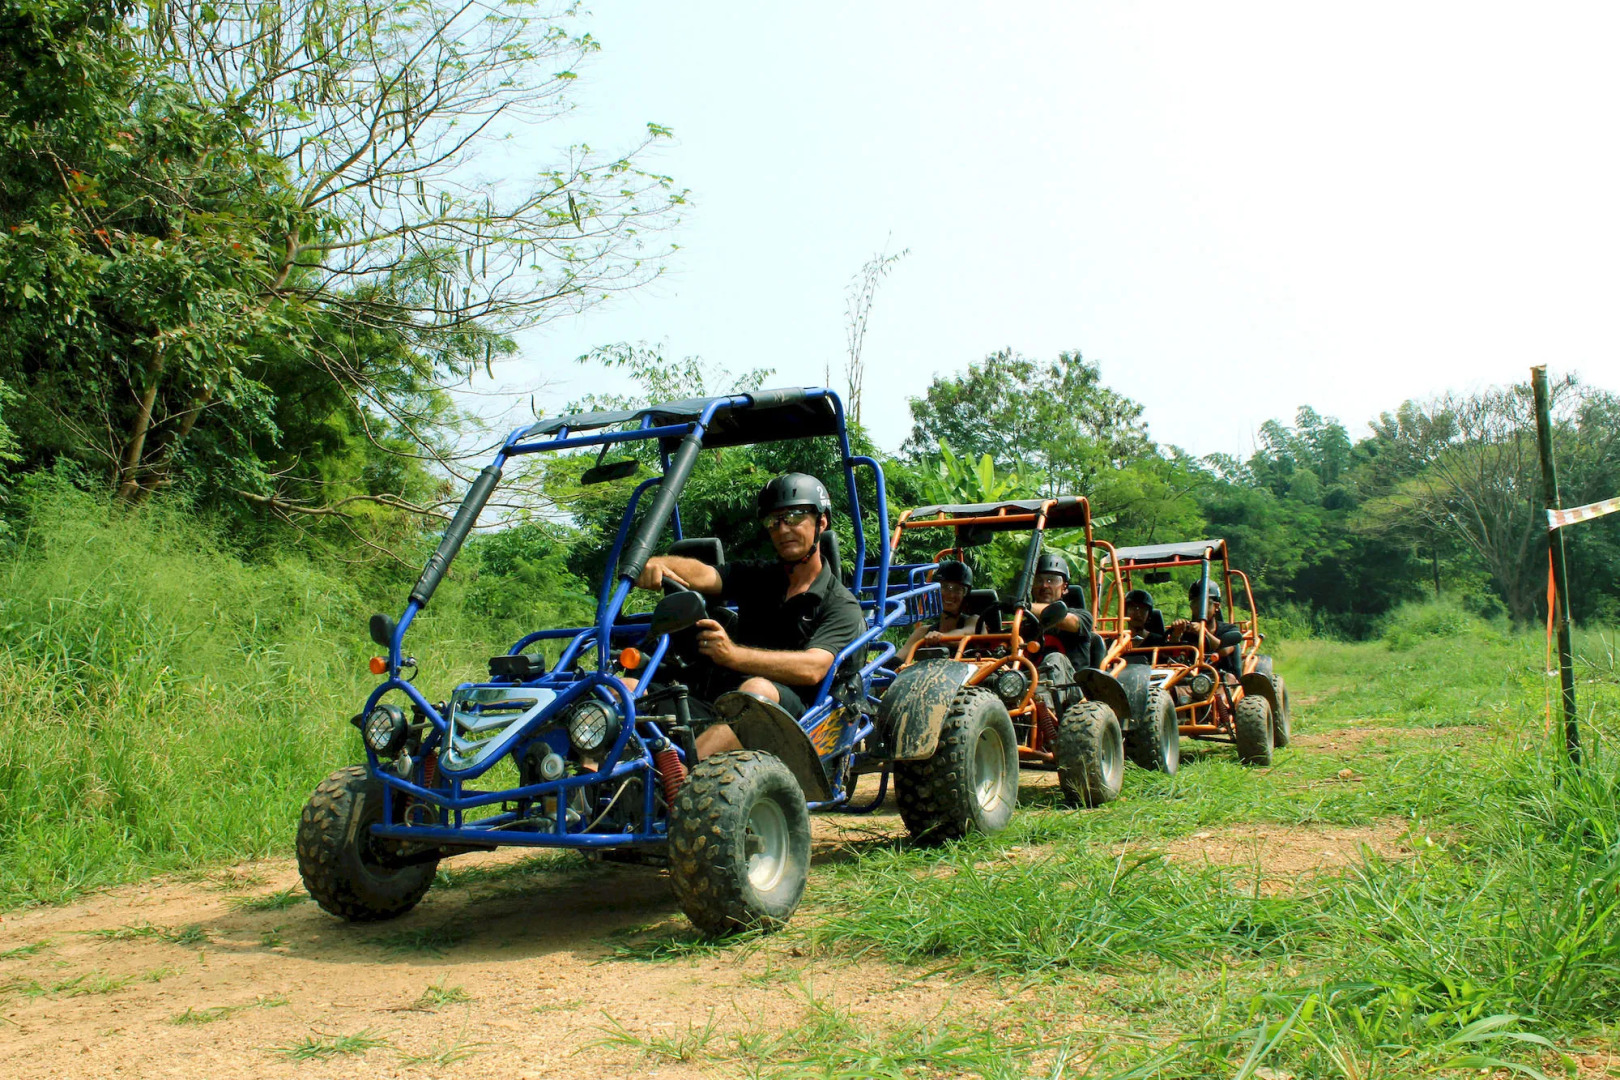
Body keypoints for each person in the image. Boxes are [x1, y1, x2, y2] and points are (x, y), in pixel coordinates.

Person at [633, 473, 867, 758]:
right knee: (625, 689)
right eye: (773, 521)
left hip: (795, 721)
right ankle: (592, 779)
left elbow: (813, 667)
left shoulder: (840, 603)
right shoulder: (757, 576)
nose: (783, 529)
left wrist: (732, 655)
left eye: (794, 517)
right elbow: (705, 574)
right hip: (722, 705)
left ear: (821, 522)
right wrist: (656, 563)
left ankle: (682, 777)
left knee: (756, 690)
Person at [1027, 551, 1095, 718]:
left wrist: (1025, 607)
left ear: (1064, 587)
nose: (1044, 585)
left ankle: (1043, 715)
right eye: (1039, 580)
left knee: (1054, 659)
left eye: (1052, 580)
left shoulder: (1082, 616)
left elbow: (1070, 622)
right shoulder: (1024, 626)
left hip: (1075, 690)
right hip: (1029, 686)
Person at [902, 560, 982, 658]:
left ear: (965, 594)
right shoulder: (923, 632)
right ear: (936, 591)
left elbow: (965, 633)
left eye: (957, 589)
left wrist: (942, 637)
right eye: (944, 587)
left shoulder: (974, 621)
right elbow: (899, 658)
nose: (950, 595)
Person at [1168, 580, 1244, 679]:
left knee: (1229, 678)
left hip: (1222, 680)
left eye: (1204, 604)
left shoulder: (1229, 630)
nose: (1199, 608)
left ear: (1216, 606)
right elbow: (1171, 656)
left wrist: (1203, 632)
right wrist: (1176, 635)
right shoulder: (1187, 631)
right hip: (1190, 679)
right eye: (1195, 603)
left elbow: (1224, 650)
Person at [1123, 588, 1168, 663]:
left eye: (1143, 608)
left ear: (1149, 614)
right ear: (1125, 612)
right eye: (1133, 607)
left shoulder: (1159, 642)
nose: (1137, 613)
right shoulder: (1115, 642)